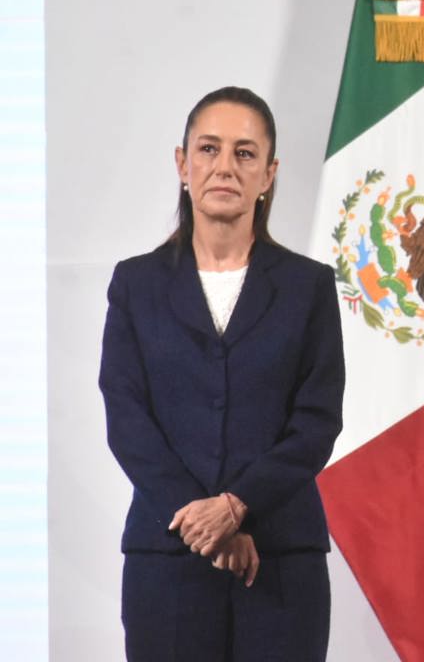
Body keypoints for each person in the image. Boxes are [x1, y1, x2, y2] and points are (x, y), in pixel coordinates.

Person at [99, 86, 345, 661]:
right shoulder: (136, 285)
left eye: (244, 153)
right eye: (208, 149)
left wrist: (237, 506)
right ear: (183, 165)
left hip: (283, 561)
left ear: (269, 174)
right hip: (167, 563)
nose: (224, 167)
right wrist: (203, 523)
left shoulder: (308, 287)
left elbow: (316, 422)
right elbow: (127, 418)